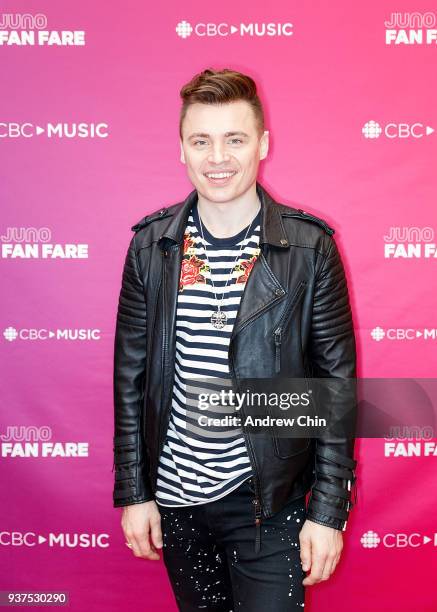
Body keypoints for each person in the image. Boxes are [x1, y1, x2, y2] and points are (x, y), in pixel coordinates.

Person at [112, 68, 358, 611]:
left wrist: (327, 511)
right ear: (181, 148)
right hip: (176, 501)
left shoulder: (308, 249)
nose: (217, 157)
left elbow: (335, 387)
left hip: (268, 504)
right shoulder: (150, 248)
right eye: (201, 140)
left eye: (235, 139)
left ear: (263, 144)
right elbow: (130, 381)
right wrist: (134, 493)